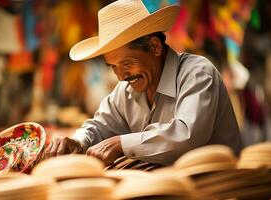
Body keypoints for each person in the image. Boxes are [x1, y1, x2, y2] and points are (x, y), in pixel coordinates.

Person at [43, 0, 243, 166]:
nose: (121, 76)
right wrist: (78, 141)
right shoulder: (125, 90)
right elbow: (99, 126)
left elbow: (187, 135)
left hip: (217, 187)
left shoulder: (197, 73)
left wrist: (121, 144)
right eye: (113, 67)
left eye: (127, 63)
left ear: (155, 47)